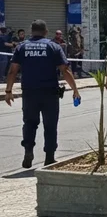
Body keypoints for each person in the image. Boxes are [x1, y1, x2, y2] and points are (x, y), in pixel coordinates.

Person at [4, 20, 80, 167]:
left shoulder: (22, 47)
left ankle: (28, 151)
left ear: (31, 31)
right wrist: (75, 90)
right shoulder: (53, 47)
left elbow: (12, 70)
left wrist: (8, 91)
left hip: (29, 93)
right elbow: (65, 70)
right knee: (50, 125)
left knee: (29, 123)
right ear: (46, 32)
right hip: (50, 93)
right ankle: (49, 157)